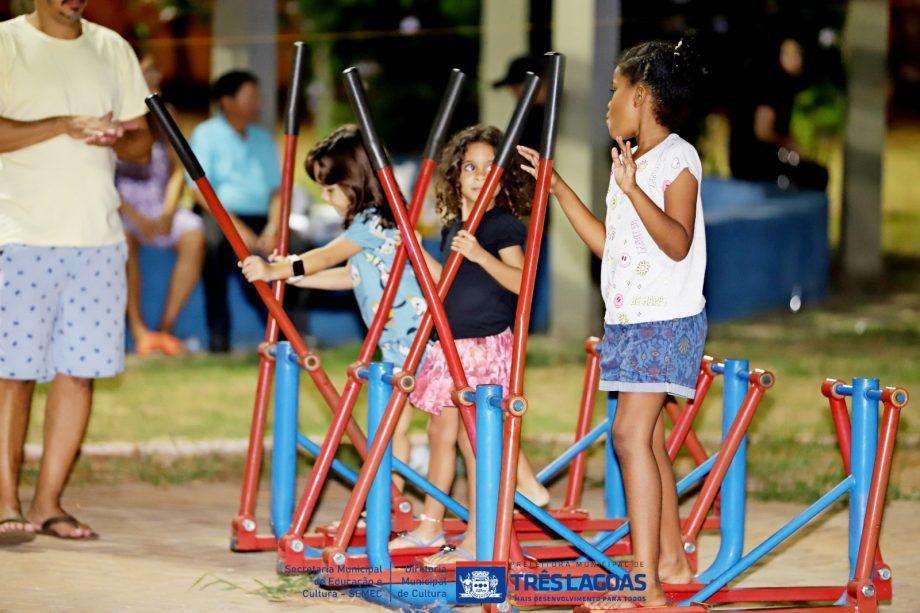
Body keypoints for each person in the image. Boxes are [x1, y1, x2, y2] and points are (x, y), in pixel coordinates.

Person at [518, 39, 707, 608]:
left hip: (665, 321)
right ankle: (670, 563)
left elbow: (675, 243)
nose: (608, 104)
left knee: (628, 436)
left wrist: (632, 192)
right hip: (630, 320)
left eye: (615, 91)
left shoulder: (677, 158)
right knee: (645, 437)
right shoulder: (630, 164)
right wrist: (559, 190)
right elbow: (610, 244)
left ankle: (644, 586)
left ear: (643, 96)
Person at [0, 0, 151, 543]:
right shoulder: (7, 43)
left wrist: (118, 138)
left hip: (99, 240)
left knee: (77, 374)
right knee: (12, 376)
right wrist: (63, 125)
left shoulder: (113, 48)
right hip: (20, 237)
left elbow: (142, 140)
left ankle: (47, 504)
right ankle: (4, 503)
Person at [390, 125, 551, 566]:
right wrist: (417, 252)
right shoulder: (454, 228)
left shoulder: (500, 225)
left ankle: (481, 538)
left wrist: (481, 254)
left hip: (482, 347)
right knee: (439, 433)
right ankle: (429, 525)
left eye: (489, 169)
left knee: (473, 442)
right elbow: (447, 284)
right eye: (470, 167)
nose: (479, 176)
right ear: (456, 176)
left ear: (503, 179)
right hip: (451, 348)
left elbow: (524, 284)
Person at [239, 124, 425, 491]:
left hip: (414, 342)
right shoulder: (369, 226)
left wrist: (278, 267)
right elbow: (350, 276)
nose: (324, 197)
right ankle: (391, 503)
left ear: (355, 182)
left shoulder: (371, 224)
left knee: (390, 428)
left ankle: (391, 504)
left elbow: (326, 257)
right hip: (395, 343)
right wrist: (293, 277)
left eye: (329, 188)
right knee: (390, 429)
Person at [117, 55, 205, 356]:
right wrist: (136, 217)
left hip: (160, 203)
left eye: (156, 73)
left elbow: (179, 168)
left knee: (194, 233)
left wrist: (168, 211)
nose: (155, 78)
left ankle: (165, 329)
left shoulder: (165, 114)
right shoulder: (111, 114)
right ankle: (139, 330)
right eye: (147, 73)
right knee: (122, 243)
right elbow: (101, 175)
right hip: (123, 208)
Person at [189, 70, 281, 352]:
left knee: (293, 248)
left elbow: (277, 190)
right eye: (250, 96)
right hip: (220, 214)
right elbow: (200, 190)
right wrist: (238, 230)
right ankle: (219, 336)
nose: (258, 103)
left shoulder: (263, 138)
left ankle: (288, 331)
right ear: (226, 101)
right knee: (215, 246)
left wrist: (273, 228)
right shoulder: (205, 134)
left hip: (261, 218)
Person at [729, 36, 828, 190]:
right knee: (816, 176)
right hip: (755, 164)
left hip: (760, 162)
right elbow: (763, 130)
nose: (795, 59)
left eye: (797, 53)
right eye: (788, 54)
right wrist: (789, 143)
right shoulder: (773, 84)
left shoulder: (787, 87)